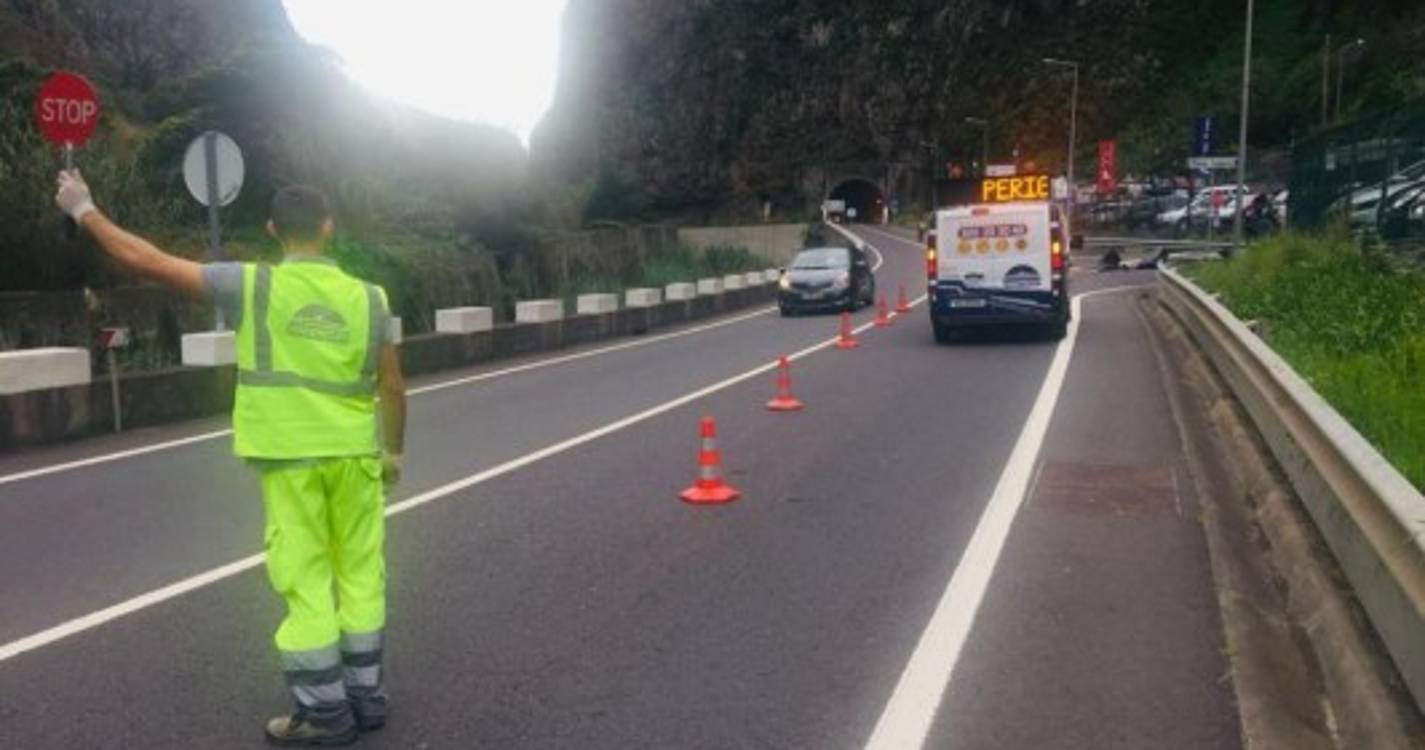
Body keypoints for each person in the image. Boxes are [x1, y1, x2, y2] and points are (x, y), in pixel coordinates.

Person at [55, 171, 407, 746]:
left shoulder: (250, 286)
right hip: (357, 459)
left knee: (306, 579)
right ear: (328, 228)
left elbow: (149, 261)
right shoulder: (372, 298)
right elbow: (393, 386)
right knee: (363, 575)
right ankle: (367, 698)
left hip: (290, 460)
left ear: (272, 231)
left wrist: (85, 209)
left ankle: (324, 713)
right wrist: (392, 452)